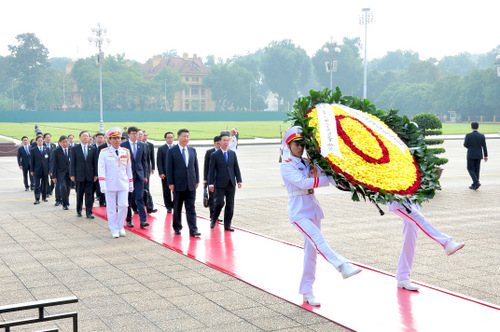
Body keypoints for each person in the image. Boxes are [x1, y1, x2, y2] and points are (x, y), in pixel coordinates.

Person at [280, 126, 361, 306]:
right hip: (298, 211)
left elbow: (326, 175)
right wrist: (326, 180)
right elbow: (302, 182)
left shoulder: (307, 162)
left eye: (302, 144)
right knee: (318, 240)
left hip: (312, 208)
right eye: (296, 144)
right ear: (289, 145)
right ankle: (342, 266)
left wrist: (343, 180)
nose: (300, 148)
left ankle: (306, 291)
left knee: (311, 252)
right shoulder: (286, 165)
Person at [388, 200, 465, 291]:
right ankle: (446, 242)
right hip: (399, 201)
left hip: (412, 199)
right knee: (419, 219)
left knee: (410, 239)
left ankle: (402, 276)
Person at [98, 127, 133, 238]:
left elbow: (129, 169)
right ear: (110, 140)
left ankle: (120, 226)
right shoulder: (104, 153)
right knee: (111, 208)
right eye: (115, 138)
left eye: (119, 138)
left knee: (124, 205)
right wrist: (102, 185)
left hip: (123, 183)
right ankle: (114, 229)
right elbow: (101, 170)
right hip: (110, 184)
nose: (117, 140)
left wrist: (130, 183)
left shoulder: (125, 152)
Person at [166, 128, 201, 237]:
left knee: (191, 208)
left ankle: (193, 229)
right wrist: (170, 182)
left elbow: (195, 166)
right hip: (178, 184)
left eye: (188, 136)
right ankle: (177, 227)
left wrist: (197, 180)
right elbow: (169, 168)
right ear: (178, 137)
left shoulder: (192, 150)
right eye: (184, 136)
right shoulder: (172, 151)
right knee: (177, 207)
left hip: (191, 184)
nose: (186, 138)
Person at [208, 133, 242, 231]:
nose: (226, 142)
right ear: (220, 142)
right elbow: (211, 171)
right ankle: (214, 219)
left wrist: (239, 180)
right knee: (219, 203)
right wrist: (211, 183)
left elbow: (236, 168)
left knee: (230, 205)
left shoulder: (232, 153)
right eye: (224, 140)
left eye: (228, 140)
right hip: (220, 184)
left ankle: (227, 225)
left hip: (231, 183)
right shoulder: (215, 155)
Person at [121, 126, 149, 229]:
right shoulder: (123, 145)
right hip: (127, 176)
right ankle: (129, 219)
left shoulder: (142, 145)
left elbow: (144, 161)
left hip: (139, 175)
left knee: (139, 197)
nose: (135, 135)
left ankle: (143, 220)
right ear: (128, 135)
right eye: (132, 133)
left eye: (136, 133)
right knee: (128, 198)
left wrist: (145, 175)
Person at [70, 130, 97, 219]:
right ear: (80, 137)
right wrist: (72, 174)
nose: (86, 138)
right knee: (80, 194)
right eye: (84, 136)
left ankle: (89, 212)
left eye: (87, 136)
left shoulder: (92, 148)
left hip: (90, 175)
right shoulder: (75, 148)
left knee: (89, 195)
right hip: (79, 175)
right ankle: (79, 210)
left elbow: (95, 163)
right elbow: (72, 163)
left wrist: (96, 174)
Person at [464, 121, 488, 190]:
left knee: (470, 169)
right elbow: (484, 146)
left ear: (471, 127)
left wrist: (470, 147)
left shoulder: (468, 135)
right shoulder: (481, 135)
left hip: (471, 154)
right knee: (477, 170)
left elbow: (465, 144)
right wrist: (486, 155)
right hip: (478, 154)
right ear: (478, 127)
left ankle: (476, 182)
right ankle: (474, 184)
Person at [51, 135, 72, 210]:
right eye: (64, 142)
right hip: (60, 173)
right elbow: (54, 164)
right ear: (60, 143)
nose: (65, 143)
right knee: (63, 187)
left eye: (67, 142)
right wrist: (54, 176)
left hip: (70, 173)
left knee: (68, 188)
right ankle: (65, 204)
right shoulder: (56, 151)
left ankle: (66, 200)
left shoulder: (71, 149)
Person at [203, 136, 221, 221]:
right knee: (212, 198)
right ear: (214, 143)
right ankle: (212, 215)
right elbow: (206, 166)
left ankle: (217, 215)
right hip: (212, 179)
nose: (219, 145)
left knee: (219, 199)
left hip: (221, 180)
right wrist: (205, 179)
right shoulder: (209, 152)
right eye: (218, 144)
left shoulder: (224, 152)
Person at [157, 131, 175, 213]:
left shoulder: (176, 148)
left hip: (175, 173)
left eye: (171, 137)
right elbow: (159, 162)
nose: (170, 139)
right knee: (166, 191)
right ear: (165, 139)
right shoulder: (162, 149)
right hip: (165, 173)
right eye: (168, 137)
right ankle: (168, 206)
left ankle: (175, 204)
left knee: (176, 190)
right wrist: (161, 172)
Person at [30, 136, 50, 204]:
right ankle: (37, 199)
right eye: (39, 140)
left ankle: (44, 197)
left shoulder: (46, 149)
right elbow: (31, 161)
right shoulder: (33, 150)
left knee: (44, 185)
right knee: (37, 185)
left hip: (45, 170)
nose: (40, 142)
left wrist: (50, 169)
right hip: (37, 170)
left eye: (41, 140)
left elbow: (49, 160)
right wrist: (32, 170)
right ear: (36, 141)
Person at [142, 130, 157, 214]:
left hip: (146, 170)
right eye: (143, 135)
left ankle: (149, 207)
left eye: (146, 135)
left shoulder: (149, 145)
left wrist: (152, 168)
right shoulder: (138, 145)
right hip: (138, 171)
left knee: (147, 188)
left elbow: (151, 158)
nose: (144, 137)